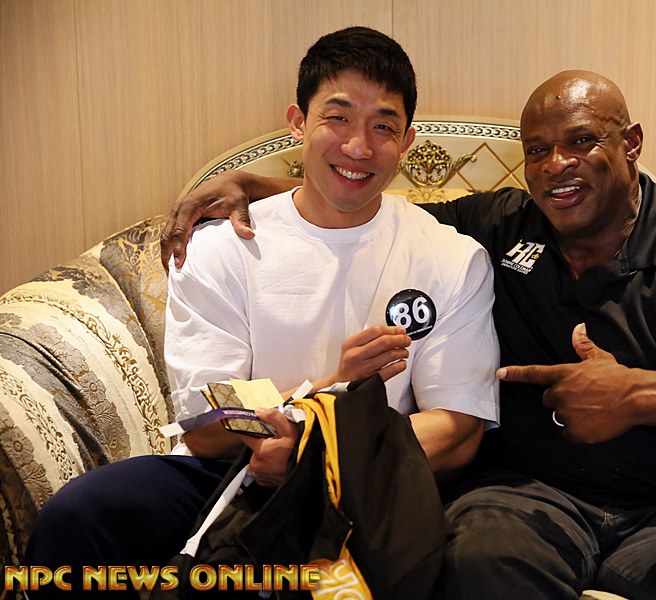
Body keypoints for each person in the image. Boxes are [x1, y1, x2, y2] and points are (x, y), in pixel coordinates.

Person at [162, 70, 656, 599]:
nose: (556, 165)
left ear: (631, 144)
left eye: (582, 141)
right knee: (474, 571)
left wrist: (639, 395)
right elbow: (370, 209)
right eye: (537, 150)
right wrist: (260, 190)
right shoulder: (502, 225)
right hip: (518, 498)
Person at [25, 26, 499, 596]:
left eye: (383, 127)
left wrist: (316, 455)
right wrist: (331, 390)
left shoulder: (451, 256)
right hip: (232, 471)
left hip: (374, 485)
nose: (358, 147)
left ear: (407, 142)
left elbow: (458, 427)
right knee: (81, 516)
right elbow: (209, 427)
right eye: (337, 118)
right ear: (298, 122)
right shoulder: (224, 246)